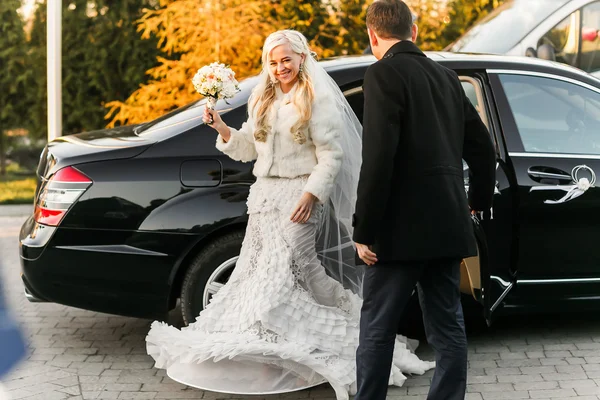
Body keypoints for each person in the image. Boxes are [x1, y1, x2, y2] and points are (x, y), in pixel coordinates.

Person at [146, 29, 434, 400]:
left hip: (301, 196)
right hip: (264, 197)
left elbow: (331, 155)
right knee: (256, 272)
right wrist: (223, 129)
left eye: (286, 59)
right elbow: (250, 147)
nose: (280, 67)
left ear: (301, 58)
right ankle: (270, 354)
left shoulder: (316, 99)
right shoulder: (261, 99)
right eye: (273, 61)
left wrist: (312, 194)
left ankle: (354, 333)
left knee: (299, 270)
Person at [352, 1, 496, 400]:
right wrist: (475, 202)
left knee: (377, 327)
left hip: (397, 231)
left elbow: (379, 157)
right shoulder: (447, 77)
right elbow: (483, 148)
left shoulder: (382, 73)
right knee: (447, 326)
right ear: (414, 32)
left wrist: (365, 228)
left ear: (372, 35)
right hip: (448, 224)